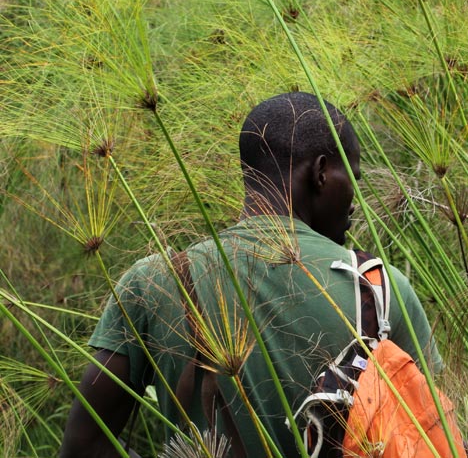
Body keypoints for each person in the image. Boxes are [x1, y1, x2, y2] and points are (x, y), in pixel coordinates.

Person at [59, 92, 444, 458]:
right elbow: (436, 437)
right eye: (352, 180)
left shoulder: (156, 281)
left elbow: (84, 448)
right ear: (321, 172)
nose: (354, 204)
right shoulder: (380, 290)